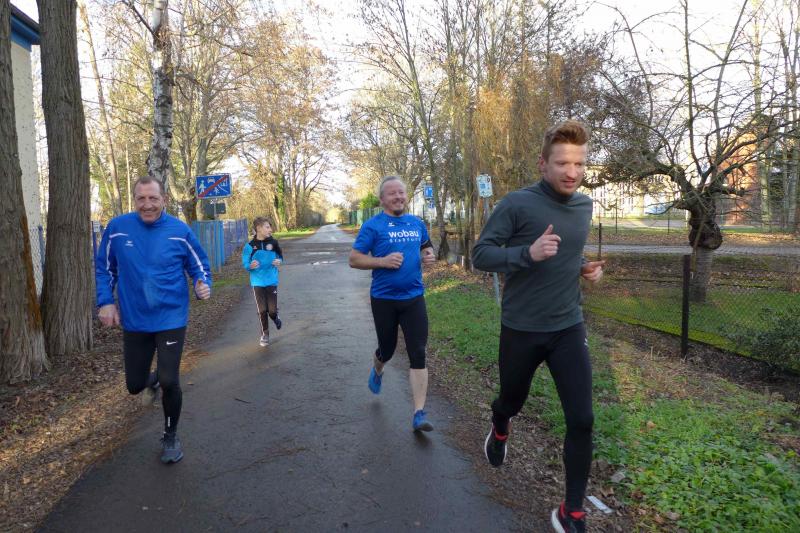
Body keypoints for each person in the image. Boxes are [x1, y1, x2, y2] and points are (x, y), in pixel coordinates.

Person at [472, 120, 605, 533]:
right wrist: (527, 254)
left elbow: (565, 253)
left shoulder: (584, 207)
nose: (572, 172)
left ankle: (572, 511)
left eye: (579, 164)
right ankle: (500, 425)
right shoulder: (516, 204)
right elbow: (481, 255)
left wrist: (582, 268)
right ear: (542, 163)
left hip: (567, 326)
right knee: (512, 400)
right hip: (522, 328)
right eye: (562, 163)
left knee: (582, 418)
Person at [95, 176, 212, 465]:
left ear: (164, 200)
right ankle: (153, 380)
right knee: (135, 385)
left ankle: (170, 436)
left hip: (171, 315)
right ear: (134, 200)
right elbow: (104, 268)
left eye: (153, 198)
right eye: (141, 199)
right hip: (135, 319)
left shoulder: (179, 230)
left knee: (170, 379)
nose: (147, 204)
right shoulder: (117, 229)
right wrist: (106, 301)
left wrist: (202, 282)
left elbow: (198, 264)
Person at [349, 175, 437, 432]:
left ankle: (419, 413)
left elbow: (426, 247)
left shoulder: (417, 223)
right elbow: (354, 259)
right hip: (384, 299)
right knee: (387, 350)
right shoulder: (373, 226)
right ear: (382, 199)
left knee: (418, 351)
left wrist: (428, 256)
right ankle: (378, 368)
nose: (398, 196)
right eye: (392, 193)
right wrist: (382, 262)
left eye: (401, 192)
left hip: (414, 298)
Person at [242, 217, 283, 346]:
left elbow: (280, 256)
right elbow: (245, 263)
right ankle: (265, 334)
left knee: (272, 311)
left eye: (270, 227)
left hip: (271, 280)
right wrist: (250, 266)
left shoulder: (274, 243)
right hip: (257, 282)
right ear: (259, 228)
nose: (270, 229)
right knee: (262, 310)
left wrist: (279, 261)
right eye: (267, 227)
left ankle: (275, 317)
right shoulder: (249, 246)